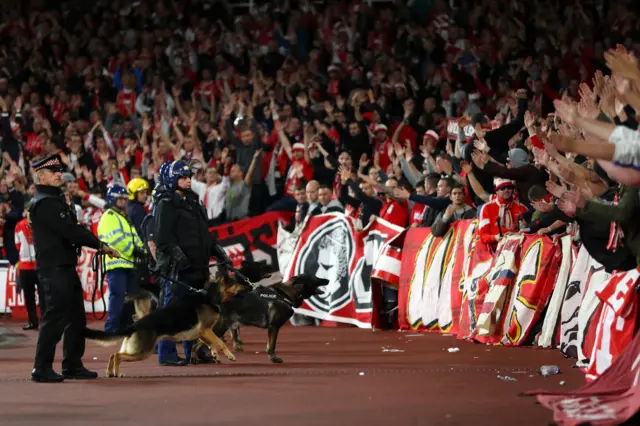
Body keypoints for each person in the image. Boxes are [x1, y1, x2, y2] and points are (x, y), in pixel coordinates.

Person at [28, 153, 120, 383]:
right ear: (40, 176)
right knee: (55, 316)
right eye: (53, 172)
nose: (59, 174)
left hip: (64, 265)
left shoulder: (54, 200)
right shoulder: (45, 202)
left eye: (60, 170)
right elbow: (71, 231)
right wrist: (100, 245)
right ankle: (41, 367)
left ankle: (72, 364)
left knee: (76, 317)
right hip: (54, 267)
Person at [154, 160, 230, 366]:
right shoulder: (165, 203)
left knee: (198, 313)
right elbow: (162, 239)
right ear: (172, 179)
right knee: (172, 311)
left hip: (199, 267)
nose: (188, 180)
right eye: (183, 177)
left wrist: (218, 252)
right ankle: (166, 354)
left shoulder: (194, 203)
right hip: (178, 270)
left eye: (189, 177)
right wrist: (180, 258)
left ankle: (195, 352)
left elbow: (205, 235)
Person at [97, 185, 145, 333]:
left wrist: (142, 251)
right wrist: (134, 250)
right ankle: (111, 329)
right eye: (120, 200)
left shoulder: (124, 218)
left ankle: (124, 328)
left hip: (128, 264)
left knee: (129, 298)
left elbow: (135, 237)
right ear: (112, 200)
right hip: (116, 263)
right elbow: (117, 239)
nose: (124, 202)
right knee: (117, 297)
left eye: (125, 199)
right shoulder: (109, 216)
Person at [15, 202, 44, 331]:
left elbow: (17, 245)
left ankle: (34, 322)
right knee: (41, 295)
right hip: (35, 265)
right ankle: (41, 321)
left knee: (32, 296)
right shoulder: (40, 224)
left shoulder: (20, 225)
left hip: (30, 265)